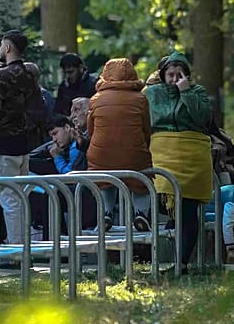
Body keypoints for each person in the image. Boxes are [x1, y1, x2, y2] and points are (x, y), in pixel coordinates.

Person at [145, 52, 213, 273]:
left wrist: (186, 93)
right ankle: (165, 254)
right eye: (170, 74)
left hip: (191, 157)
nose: (174, 79)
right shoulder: (151, 94)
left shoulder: (197, 93)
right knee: (164, 204)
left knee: (188, 210)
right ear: (162, 75)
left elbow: (203, 119)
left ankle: (181, 263)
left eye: (179, 74)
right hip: (163, 154)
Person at [0, 29, 43, 245]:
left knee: (8, 198)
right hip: (23, 143)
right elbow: (38, 108)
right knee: (20, 195)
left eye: (1, 45)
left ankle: (17, 248)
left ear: (7, 48)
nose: (0, 49)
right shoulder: (29, 75)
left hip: (2, 143)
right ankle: (21, 241)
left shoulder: (0, 76)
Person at [86, 57, 152, 229]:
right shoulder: (140, 99)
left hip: (101, 154)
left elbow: (91, 131)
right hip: (133, 154)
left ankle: (106, 213)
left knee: (104, 178)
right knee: (142, 181)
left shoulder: (95, 99)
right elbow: (146, 130)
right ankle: (141, 214)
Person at [54, 53, 98, 118]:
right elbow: (57, 112)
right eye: (65, 73)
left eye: (71, 72)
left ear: (80, 68)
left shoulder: (93, 84)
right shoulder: (63, 87)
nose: (67, 76)